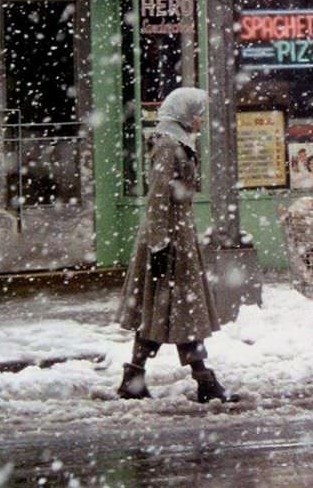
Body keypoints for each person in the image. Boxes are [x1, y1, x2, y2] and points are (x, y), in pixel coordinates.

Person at [116, 87, 237, 403]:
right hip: (170, 239)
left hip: (176, 237)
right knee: (180, 309)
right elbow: (157, 198)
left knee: (163, 309)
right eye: (197, 114)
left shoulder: (176, 143)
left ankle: (136, 378)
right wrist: (159, 245)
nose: (200, 121)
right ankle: (202, 380)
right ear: (184, 115)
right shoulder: (169, 146)